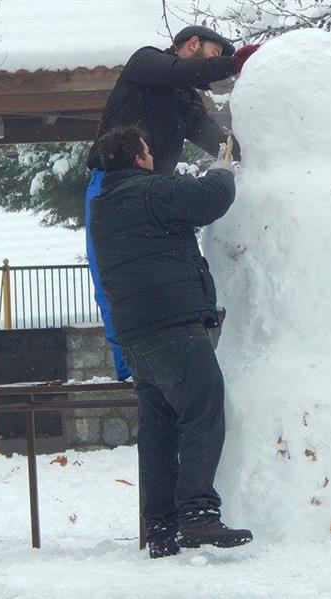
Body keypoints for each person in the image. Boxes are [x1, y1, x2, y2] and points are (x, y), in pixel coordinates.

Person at [89, 125, 252, 558]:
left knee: (159, 430)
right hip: (172, 329)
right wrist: (222, 167)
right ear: (139, 158)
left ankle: (160, 526)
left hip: (136, 337)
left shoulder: (104, 205)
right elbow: (211, 198)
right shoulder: (150, 192)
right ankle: (198, 514)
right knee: (202, 412)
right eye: (148, 148)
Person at [85, 26, 260, 380]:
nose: (214, 64)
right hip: (111, 185)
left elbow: (213, 138)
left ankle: (160, 362)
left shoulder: (185, 99)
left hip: (153, 191)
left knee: (160, 277)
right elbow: (183, 71)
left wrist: (256, 150)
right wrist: (233, 63)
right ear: (192, 44)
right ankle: (129, 369)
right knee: (112, 278)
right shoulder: (147, 63)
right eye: (212, 54)